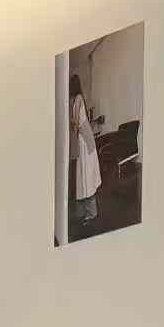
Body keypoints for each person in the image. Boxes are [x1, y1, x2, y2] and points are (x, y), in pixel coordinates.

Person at [69, 72, 102, 225]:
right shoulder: (79, 98)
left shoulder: (77, 99)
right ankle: (87, 211)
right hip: (87, 142)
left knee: (86, 177)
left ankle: (91, 213)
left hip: (85, 142)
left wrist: (71, 125)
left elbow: (77, 123)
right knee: (86, 176)